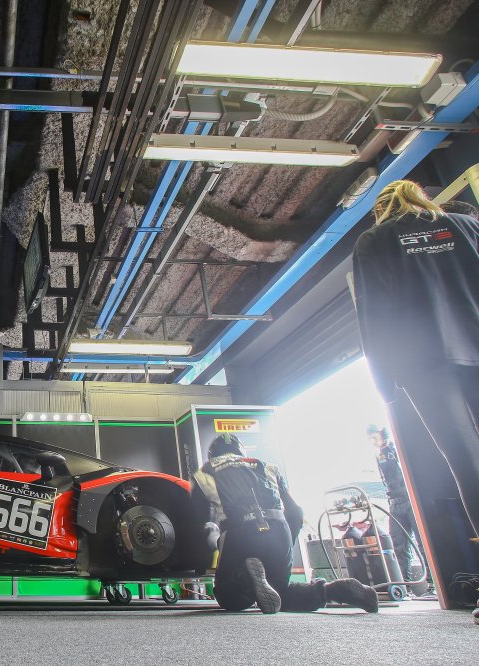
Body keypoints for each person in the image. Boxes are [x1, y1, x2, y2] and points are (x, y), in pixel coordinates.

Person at [352, 180, 479, 541]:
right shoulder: (466, 226)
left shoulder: (374, 240)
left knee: (465, 460)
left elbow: (373, 314)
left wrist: (384, 384)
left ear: (381, 210)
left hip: (423, 364)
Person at [192, 434, 378, 614]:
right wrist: (286, 544)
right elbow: (296, 513)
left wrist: (203, 561)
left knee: (229, 596)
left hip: (240, 532)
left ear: (212, 454)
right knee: (280, 592)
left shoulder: (205, 472)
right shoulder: (266, 466)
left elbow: (201, 524)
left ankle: (246, 578)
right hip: (279, 531)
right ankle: (334, 591)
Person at [366, 424, 428, 588]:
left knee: (423, 543)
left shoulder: (396, 449)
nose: (373, 441)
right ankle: (404, 585)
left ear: (382, 434)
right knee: (398, 545)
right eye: (370, 438)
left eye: (375, 437)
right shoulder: (379, 456)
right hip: (394, 504)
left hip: (410, 500)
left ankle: (431, 584)